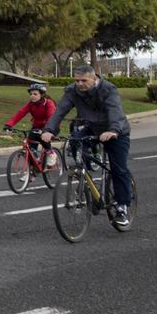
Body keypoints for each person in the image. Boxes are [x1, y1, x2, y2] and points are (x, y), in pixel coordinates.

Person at [40, 68, 134, 224]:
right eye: (77, 80)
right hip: (92, 127)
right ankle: (85, 177)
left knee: (119, 169)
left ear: (94, 78)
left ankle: (122, 207)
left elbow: (115, 111)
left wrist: (113, 130)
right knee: (74, 142)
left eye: (84, 81)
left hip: (116, 131)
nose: (79, 84)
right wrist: (49, 130)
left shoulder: (108, 89)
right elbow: (60, 111)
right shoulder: (72, 91)